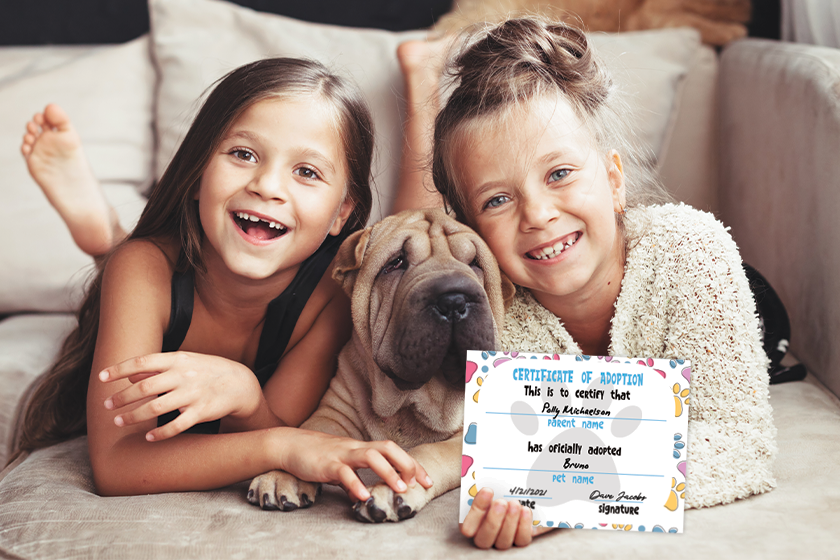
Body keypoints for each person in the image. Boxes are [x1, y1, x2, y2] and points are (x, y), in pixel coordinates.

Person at [397, 17, 776, 549]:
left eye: (559, 174)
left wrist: (567, 496)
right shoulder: (492, 307)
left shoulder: (692, 247)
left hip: (732, 298)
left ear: (614, 179)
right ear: (474, 233)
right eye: (497, 200)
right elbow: (514, 445)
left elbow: (740, 437)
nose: (539, 215)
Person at [15, 57, 433, 501]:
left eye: (307, 172)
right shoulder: (144, 269)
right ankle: (106, 240)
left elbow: (287, 431)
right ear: (197, 176)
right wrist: (278, 441)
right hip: (161, 270)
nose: (267, 185)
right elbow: (118, 465)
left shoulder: (331, 296)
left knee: (402, 250)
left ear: (341, 213)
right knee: (125, 262)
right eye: (243, 154)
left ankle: (106, 238)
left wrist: (248, 400)